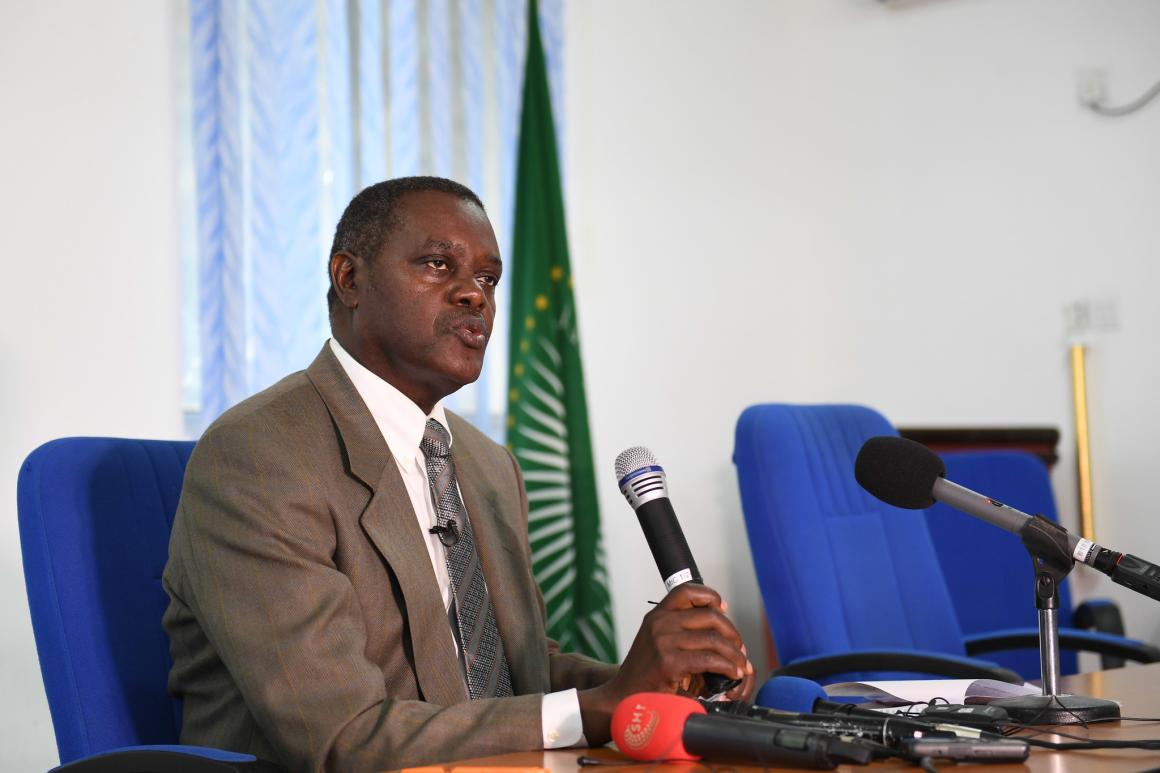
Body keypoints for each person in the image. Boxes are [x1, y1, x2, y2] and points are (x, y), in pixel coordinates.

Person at [163, 176, 754, 773]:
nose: (474, 295)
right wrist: (606, 705)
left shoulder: (488, 464)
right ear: (349, 279)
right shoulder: (261, 456)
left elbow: (520, 669)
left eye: (488, 278)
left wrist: (661, 685)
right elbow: (341, 735)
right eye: (438, 264)